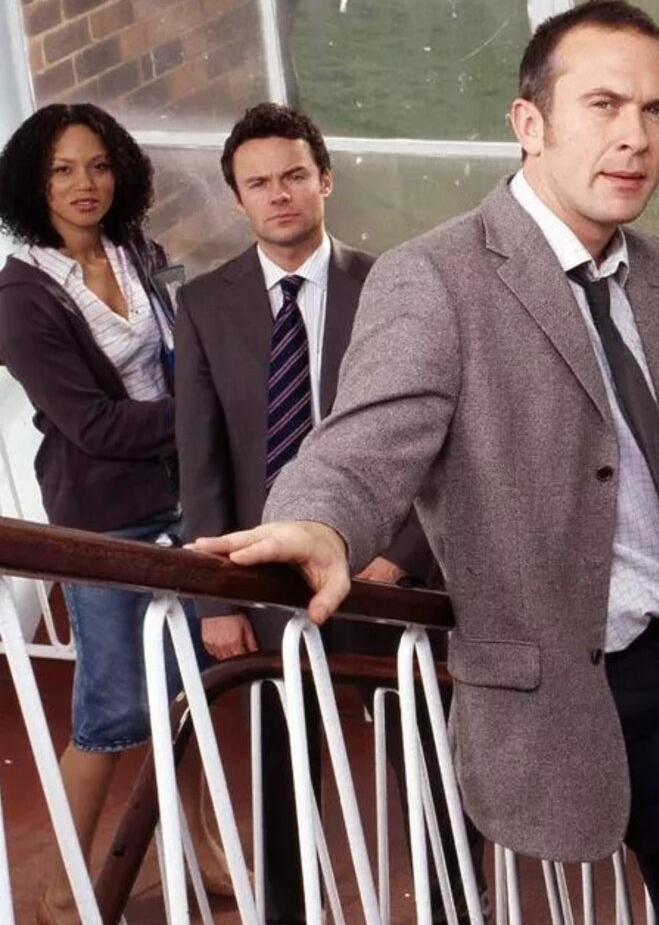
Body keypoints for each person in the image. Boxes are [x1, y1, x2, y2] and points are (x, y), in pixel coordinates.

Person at [191, 0, 659, 925]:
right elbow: (363, 440)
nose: (635, 138)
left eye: (657, 110)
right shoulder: (436, 279)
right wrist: (318, 520)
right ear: (529, 122)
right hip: (607, 683)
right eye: (603, 106)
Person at [174, 101, 475, 923]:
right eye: (259, 183)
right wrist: (216, 597)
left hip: (384, 569)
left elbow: (444, 436)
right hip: (266, 577)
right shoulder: (205, 305)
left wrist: (404, 551)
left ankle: (454, 907)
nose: (279, 196)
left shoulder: (394, 285)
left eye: (294, 177)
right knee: (282, 763)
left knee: (430, 760)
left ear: (325, 180)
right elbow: (200, 459)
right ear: (238, 198)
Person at [0, 103, 192, 924]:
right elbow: (93, 426)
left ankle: (206, 853)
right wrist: (209, 416)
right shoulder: (20, 295)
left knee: (192, 690)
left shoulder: (135, 251)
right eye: (62, 171)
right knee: (114, 709)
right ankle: (61, 892)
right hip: (104, 519)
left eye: (99, 165)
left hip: (184, 499)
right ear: (30, 186)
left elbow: (178, 357)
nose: (86, 185)